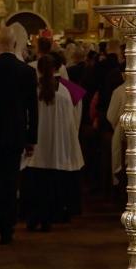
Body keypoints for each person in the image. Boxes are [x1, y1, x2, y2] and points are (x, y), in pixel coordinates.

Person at [0, 26, 38, 244]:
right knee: (11, 181)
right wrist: (32, 138)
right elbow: (32, 109)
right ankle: (8, 229)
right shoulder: (26, 72)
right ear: (14, 44)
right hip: (15, 134)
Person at [24, 55, 84, 231]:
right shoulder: (64, 93)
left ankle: (34, 218)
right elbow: (70, 123)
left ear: (39, 70)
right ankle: (50, 218)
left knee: (36, 186)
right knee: (52, 185)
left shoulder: (34, 90)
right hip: (57, 147)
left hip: (38, 147)